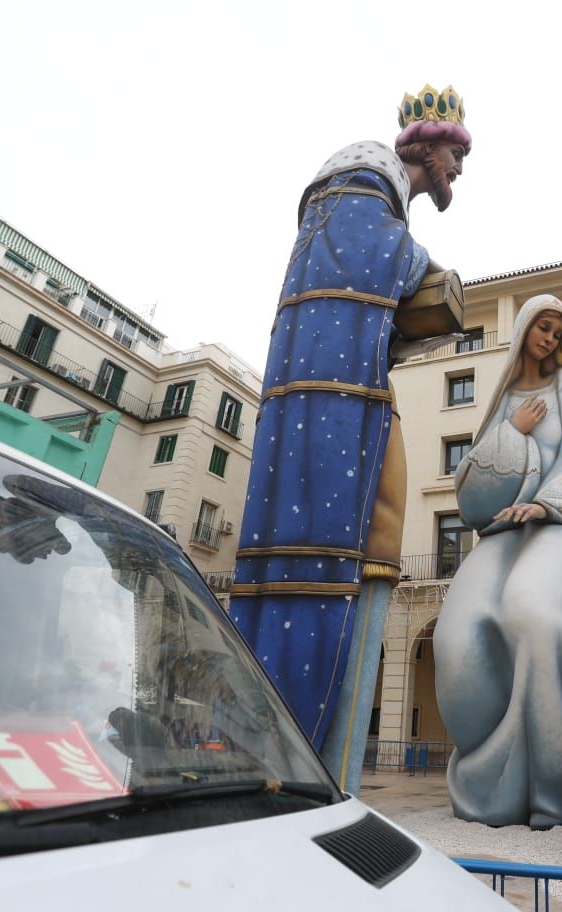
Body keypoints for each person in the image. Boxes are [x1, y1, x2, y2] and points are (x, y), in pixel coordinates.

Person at [230, 85, 471, 792]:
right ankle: (310, 767)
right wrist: (431, 277)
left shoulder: (371, 204)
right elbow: (375, 260)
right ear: (426, 147)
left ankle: (334, 775)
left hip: (354, 386)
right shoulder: (362, 188)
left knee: (380, 539)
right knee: (340, 543)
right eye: (456, 154)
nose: (459, 170)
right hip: (332, 399)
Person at [433, 294, 562, 828]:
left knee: (531, 611)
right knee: (458, 636)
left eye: (559, 333)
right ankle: (488, 770)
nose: (551, 340)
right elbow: (471, 493)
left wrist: (546, 502)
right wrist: (512, 430)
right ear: (524, 331)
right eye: (544, 328)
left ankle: (561, 784)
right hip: (503, 531)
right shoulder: (503, 401)